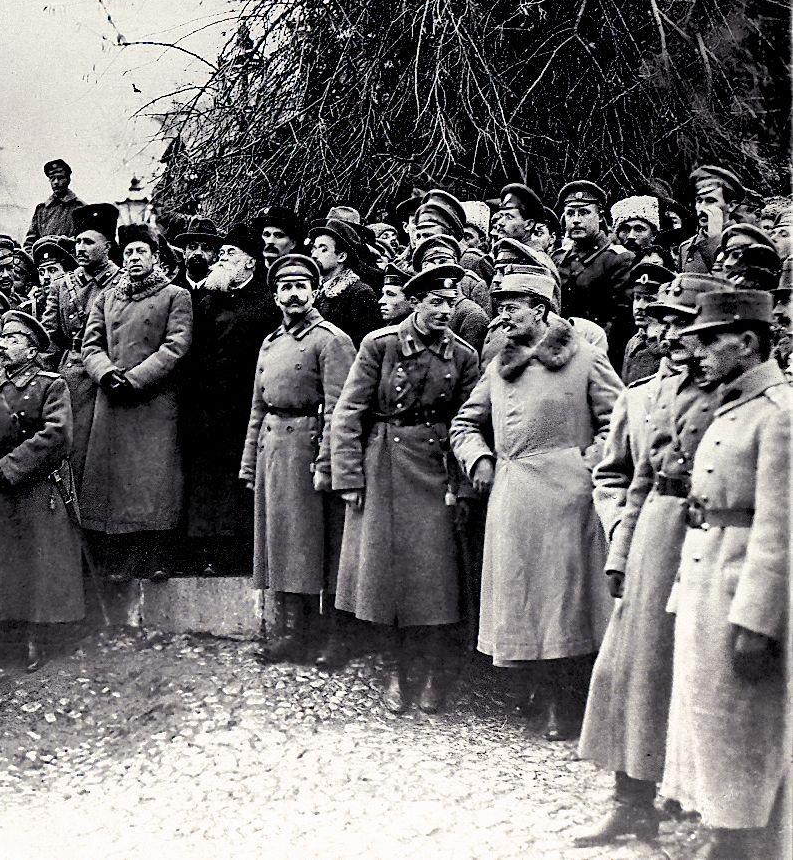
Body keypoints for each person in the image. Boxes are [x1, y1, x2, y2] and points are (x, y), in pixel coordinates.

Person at [573, 273, 733, 847]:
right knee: (635, 672)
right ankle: (631, 802)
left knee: (707, 677)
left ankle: (712, 813)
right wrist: (621, 545)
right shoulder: (640, 396)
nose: (662, 331)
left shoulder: (733, 399)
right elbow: (620, 477)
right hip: (653, 542)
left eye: (678, 322)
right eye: (657, 320)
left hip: (711, 542)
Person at [450, 272, 622, 740]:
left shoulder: (585, 358)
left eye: (513, 306)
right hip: (512, 496)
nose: (502, 315)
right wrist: (480, 460)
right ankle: (531, 691)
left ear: (541, 307)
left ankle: (565, 703)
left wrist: (585, 466)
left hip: (569, 501)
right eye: (500, 305)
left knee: (563, 601)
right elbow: (464, 423)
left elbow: (618, 422)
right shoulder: (499, 367)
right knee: (521, 596)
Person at [662, 290, 788, 860]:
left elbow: (778, 529)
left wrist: (757, 621)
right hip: (707, 570)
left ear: (750, 343)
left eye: (713, 340)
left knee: (743, 718)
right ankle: (725, 827)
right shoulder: (731, 403)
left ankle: (742, 837)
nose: (700, 351)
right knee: (709, 710)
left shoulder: (778, 415)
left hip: (740, 583)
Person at [329, 263, 481, 711]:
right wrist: (349, 478)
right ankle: (397, 671)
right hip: (385, 463)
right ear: (414, 303)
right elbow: (349, 413)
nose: (444, 311)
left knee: (436, 579)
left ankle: (434, 673)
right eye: (436, 302)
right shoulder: (381, 345)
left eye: (451, 303)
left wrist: (464, 486)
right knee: (389, 578)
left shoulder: (465, 356)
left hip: (438, 467)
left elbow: (467, 423)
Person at [240, 254, 353, 663]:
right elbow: (258, 406)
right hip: (274, 450)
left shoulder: (331, 340)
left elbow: (341, 408)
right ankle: (291, 632)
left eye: (301, 285)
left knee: (315, 543)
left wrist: (327, 461)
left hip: (308, 448)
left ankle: (328, 636)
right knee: (281, 543)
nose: (293, 294)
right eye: (285, 287)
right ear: (274, 296)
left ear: (316, 290)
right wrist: (250, 462)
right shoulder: (270, 343)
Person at [0, 312, 86, 670]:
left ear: (33, 349)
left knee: (40, 565)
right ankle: (4, 637)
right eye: (2, 339)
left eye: (13, 340)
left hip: (39, 487)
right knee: (3, 564)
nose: (2, 345)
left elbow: (58, 434)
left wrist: (12, 465)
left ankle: (41, 637)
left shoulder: (52, 385)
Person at [81, 223, 194, 581]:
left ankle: (156, 559)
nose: (133, 258)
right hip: (112, 400)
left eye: (140, 252)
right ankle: (120, 561)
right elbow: (91, 344)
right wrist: (106, 373)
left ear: (155, 257)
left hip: (153, 402)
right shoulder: (108, 298)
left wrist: (135, 379)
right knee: (116, 484)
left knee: (153, 482)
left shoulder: (175, 295)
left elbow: (176, 346)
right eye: (127, 252)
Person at [183, 222, 280, 576]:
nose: (221, 260)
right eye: (220, 255)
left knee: (238, 481)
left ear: (251, 264)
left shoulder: (266, 304)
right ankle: (205, 551)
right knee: (206, 479)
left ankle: (236, 553)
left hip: (243, 408)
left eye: (230, 255)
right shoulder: (209, 300)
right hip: (207, 409)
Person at [41, 203, 121, 487]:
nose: (80, 247)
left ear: (108, 246)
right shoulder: (61, 286)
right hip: (72, 373)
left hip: (110, 372)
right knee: (71, 449)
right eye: (77, 241)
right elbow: (50, 338)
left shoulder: (124, 283)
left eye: (88, 241)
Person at [555, 181, 634, 365]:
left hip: (600, 355)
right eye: (570, 213)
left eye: (583, 212)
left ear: (600, 217)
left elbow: (621, 322)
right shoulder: (559, 259)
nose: (575, 219)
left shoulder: (618, 259)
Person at [306, 218, 380, 347]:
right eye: (314, 248)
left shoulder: (360, 293)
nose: (314, 255)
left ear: (341, 256)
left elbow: (365, 346)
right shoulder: (317, 290)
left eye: (323, 249)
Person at [678, 165, 747, 275]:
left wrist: (714, 240)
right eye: (699, 201)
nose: (702, 208)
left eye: (710, 201)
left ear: (731, 206)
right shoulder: (686, 247)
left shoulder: (744, 242)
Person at [619, 263, 676, 382]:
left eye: (649, 299)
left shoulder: (670, 344)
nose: (639, 306)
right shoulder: (634, 342)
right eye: (637, 298)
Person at [26, 159, 84, 247]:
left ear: (68, 179)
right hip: (43, 259)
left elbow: (83, 241)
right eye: (52, 178)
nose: (56, 182)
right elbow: (30, 242)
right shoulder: (41, 210)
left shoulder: (81, 208)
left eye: (60, 178)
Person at [253, 205, 301, 270]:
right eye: (266, 235)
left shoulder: (299, 276)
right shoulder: (250, 275)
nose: (270, 241)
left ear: (292, 243)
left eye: (279, 236)